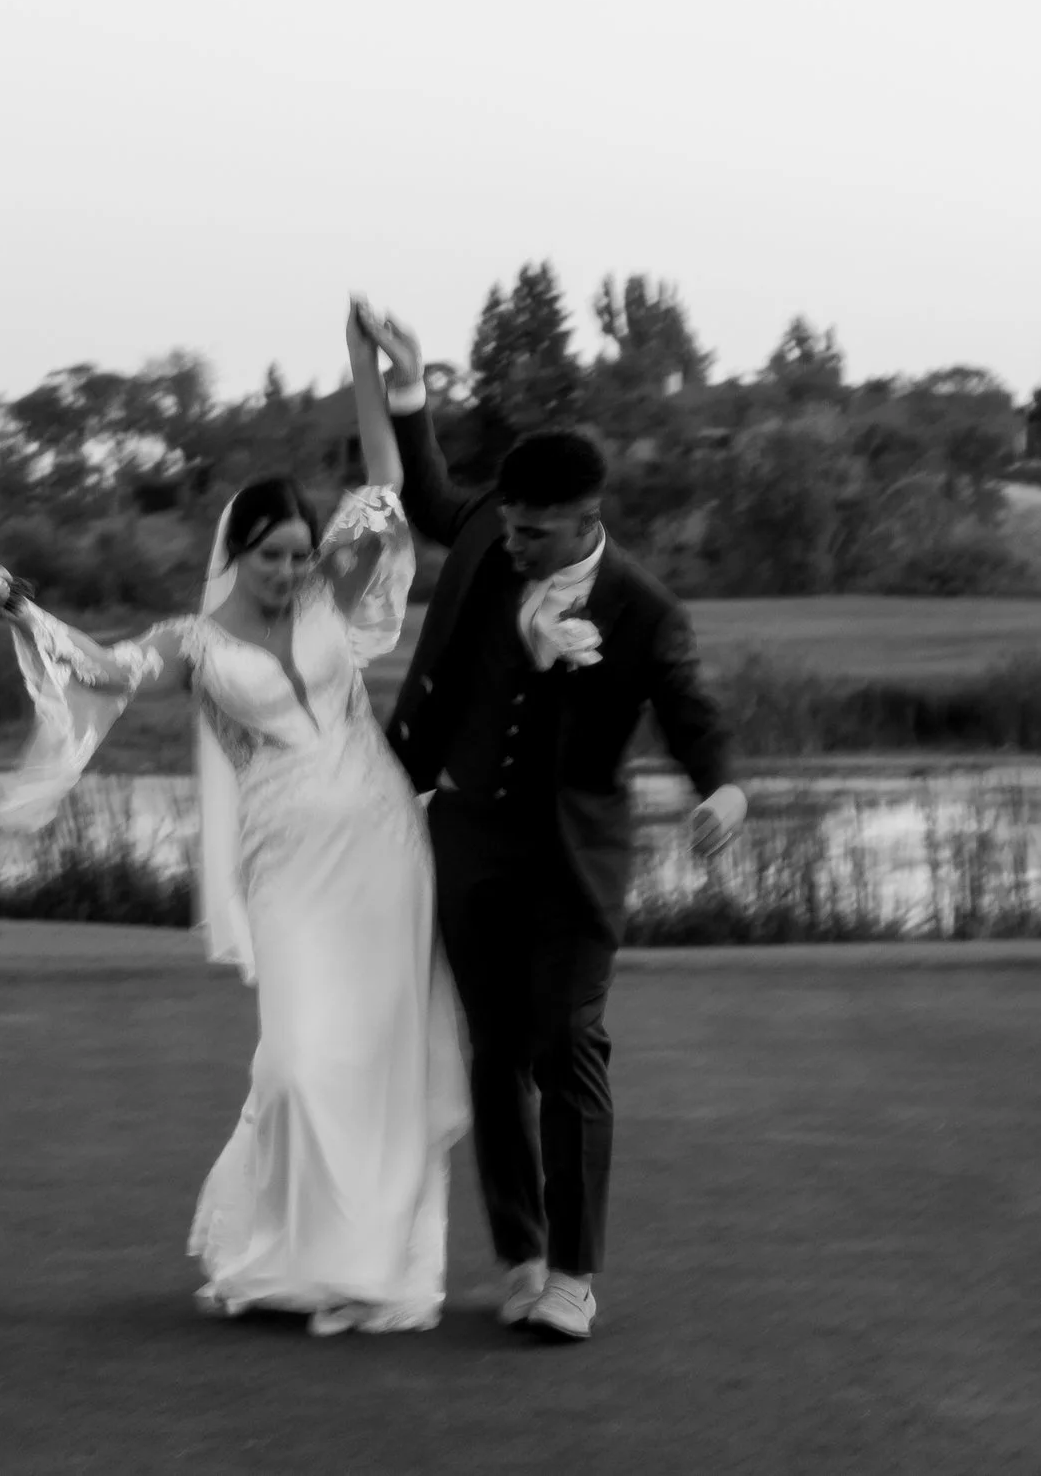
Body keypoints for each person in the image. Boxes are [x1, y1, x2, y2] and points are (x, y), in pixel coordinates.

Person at [0, 299, 466, 1336]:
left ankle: (362, 1266)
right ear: (237, 550)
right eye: (272, 555)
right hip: (284, 860)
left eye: (297, 553)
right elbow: (103, 668)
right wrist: (4, 600)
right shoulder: (191, 639)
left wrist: (360, 365)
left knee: (378, 1052)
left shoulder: (333, 593)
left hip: (381, 846)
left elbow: (386, 487)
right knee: (295, 1059)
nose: (289, 571)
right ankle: (284, 1251)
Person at [359, 309, 746, 1343]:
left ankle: (576, 1273)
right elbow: (435, 495)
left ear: (586, 519)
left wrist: (722, 790)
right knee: (493, 1049)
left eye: (534, 530)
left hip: (575, 857)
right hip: (468, 833)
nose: (510, 540)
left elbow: (689, 707)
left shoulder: (645, 609)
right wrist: (408, 390)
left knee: (569, 1040)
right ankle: (522, 1253)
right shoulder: (493, 525)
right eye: (509, 524)